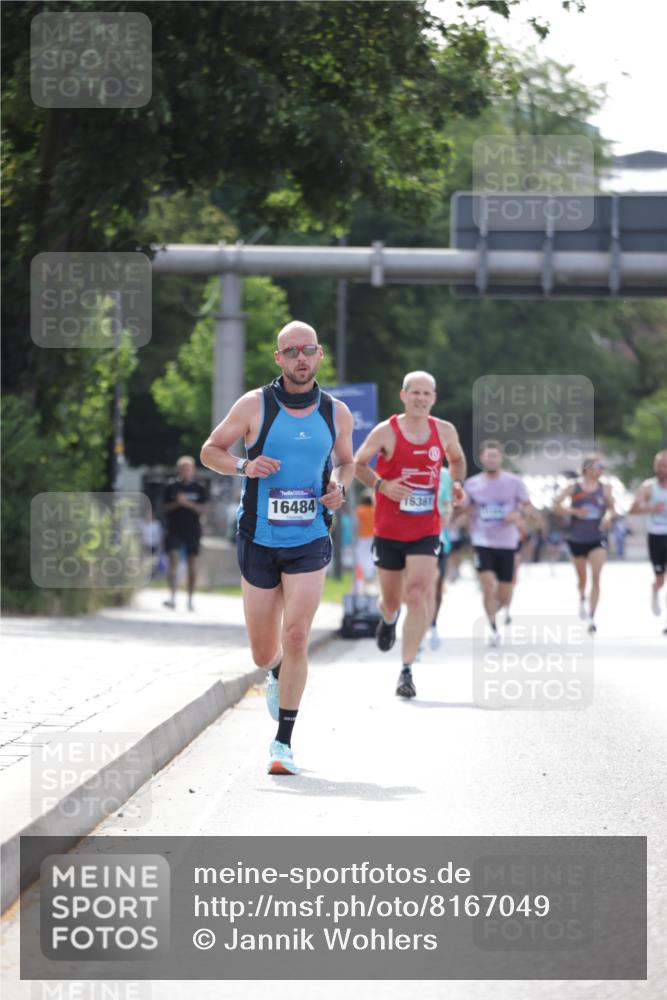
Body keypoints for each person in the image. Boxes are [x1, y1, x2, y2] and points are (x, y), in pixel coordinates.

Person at [200, 321, 354, 775]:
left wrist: (337, 485)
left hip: (309, 537)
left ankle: (282, 742)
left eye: (308, 350)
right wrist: (245, 466)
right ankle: (275, 670)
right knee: (264, 652)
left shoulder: (336, 412)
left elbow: (346, 462)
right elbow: (211, 450)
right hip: (259, 538)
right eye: (291, 351)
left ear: (320, 354)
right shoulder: (255, 405)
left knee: (298, 634)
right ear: (279, 358)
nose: (300, 358)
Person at [354, 371, 465, 698]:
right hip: (388, 529)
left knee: (417, 593)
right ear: (403, 396)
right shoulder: (386, 431)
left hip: (426, 529)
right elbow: (359, 463)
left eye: (426, 393)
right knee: (391, 601)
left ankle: (406, 670)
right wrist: (382, 485)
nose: (420, 398)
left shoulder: (444, 431)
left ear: (434, 398)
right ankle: (387, 620)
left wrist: (456, 484)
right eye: (414, 392)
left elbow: (456, 458)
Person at [464, 441, 532, 646]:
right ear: (482, 458)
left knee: (503, 592)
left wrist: (518, 514)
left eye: (495, 456)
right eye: (488, 456)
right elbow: (466, 509)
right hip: (482, 541)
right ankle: (493, 627)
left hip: (507, 543)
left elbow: (528, 506)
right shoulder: (473, 484)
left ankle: (497, 610)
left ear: (500, 458)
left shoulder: (514, 482)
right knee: (486, 585)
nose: (491, 459)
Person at [552, 455, 615, 634]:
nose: (601, 469)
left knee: (596, 577)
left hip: (597, 537)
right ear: (587, 468)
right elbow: (555, 505)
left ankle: (592, 616)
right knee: (582, 579)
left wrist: (608, 518)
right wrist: (574, 511)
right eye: (598, 465)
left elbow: (611, 508)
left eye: (602, 466)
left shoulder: (605, 488)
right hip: (577, 538)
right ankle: (581, 597)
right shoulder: (574, 486)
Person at [162, 456, 208, 611]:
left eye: (188, 468)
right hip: (174, 529)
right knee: (173, 560)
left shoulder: (199, 488)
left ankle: (190, 599)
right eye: (183, 468)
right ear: (178, 470)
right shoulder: (171, 487)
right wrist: (177, 503)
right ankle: (172, 597)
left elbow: (204, 510)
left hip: (193, 530)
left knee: (192, 564)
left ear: (193, 470)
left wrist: (186, 503)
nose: (186, 471)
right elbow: (164, 508)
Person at [630, 449, 667, 633]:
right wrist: (651, 509)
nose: (662, 468)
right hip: (656, 536)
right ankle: (655, 590)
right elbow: (633, 509)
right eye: (660, 465)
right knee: (660, 579)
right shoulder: (648, 487)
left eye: (665, 465)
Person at [428, 465, 453, 650]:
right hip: (406, 537)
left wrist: (448, 514)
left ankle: (432, 624)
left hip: (438, 537)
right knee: (416, 587)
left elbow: (447, 502)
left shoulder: (444, 475)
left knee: (435, 584)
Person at [354, 491, 376, 591]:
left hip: (362, 538)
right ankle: (370, 577)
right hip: (373, 537)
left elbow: (356, 524)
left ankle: (360, 581)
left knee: (361, 559)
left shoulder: (359, 510)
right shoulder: (374, 510)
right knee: (371, 558)